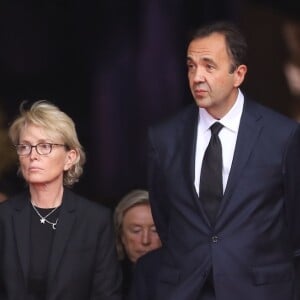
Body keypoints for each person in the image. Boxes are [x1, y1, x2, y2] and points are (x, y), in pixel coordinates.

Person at [140, 21, 300, 300]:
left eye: (208, 66)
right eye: (191, 66)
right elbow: (165, 217)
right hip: (186, 288)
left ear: (238, 74)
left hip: (260, 290)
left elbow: (294, 223)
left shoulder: (282, 136)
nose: (197, 77)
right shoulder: (164, 137)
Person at [0, 100, 122, 300]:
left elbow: (106, 294)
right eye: (25, 147)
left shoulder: (94, 221)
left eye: (45, 146)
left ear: (70, 158)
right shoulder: (4, 218)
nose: (33, 155)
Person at [114, 189, 161, 299]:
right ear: (121, 235)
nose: (145, 240)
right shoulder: (107, 280)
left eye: (155, 230)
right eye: (136, 230)